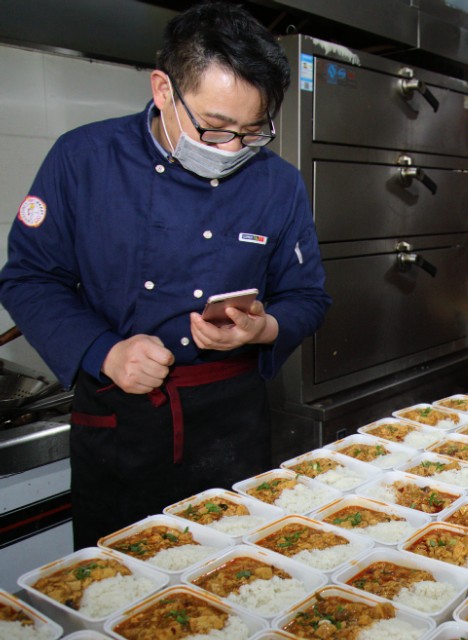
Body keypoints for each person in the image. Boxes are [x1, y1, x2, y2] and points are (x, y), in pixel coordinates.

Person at [0, 2, 331, 549]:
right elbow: (29, 279)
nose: (231, 148)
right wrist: (105, 352)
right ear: (162, 89)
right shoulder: (84, 159)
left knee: (236, 584)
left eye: (253, 131)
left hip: (233, 425)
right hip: (120, 424)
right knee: (114, 593)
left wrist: (262, 328)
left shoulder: (280, 183)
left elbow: (308, 296)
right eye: (215, 126)